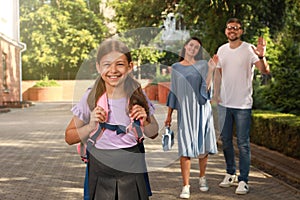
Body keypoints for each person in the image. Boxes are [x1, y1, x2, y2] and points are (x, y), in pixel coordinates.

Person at [65, 39, 159, 200]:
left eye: (120, 64)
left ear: (130, 67)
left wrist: (146, 120)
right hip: (100, 167)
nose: (113, 70)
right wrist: (90, 126)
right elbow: (69, 137)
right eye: (107, 64)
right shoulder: (91, 97)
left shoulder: (137, 95)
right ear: (98, 67)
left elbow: (153, 133)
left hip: (132, 165)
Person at [214, 18, 270, 195]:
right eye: (230, 28)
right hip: (224, 103)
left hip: (243, 104)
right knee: (226, 141)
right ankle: (230, 173)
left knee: (243, 144)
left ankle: (244, 180)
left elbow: (264, 70)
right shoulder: (221, 50)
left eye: (236, 28)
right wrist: (216, 95)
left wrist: (261, 55)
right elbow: (218, 73)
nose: (232, 31)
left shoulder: (248, 49)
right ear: (226, 31)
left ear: (241, 31)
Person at [164, 37, 218, 199]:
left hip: (202, 109)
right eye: (191, 45)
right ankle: (186, 185)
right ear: (185, 46)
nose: (193, 48)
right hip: (185, 112)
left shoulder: (202, 65)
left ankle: (202, 177)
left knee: (203, 147)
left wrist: (211, 70)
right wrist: (168, 116)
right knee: (185, 149)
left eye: (197, 47)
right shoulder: (176, 67)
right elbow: (173, 92)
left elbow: (207, 90)